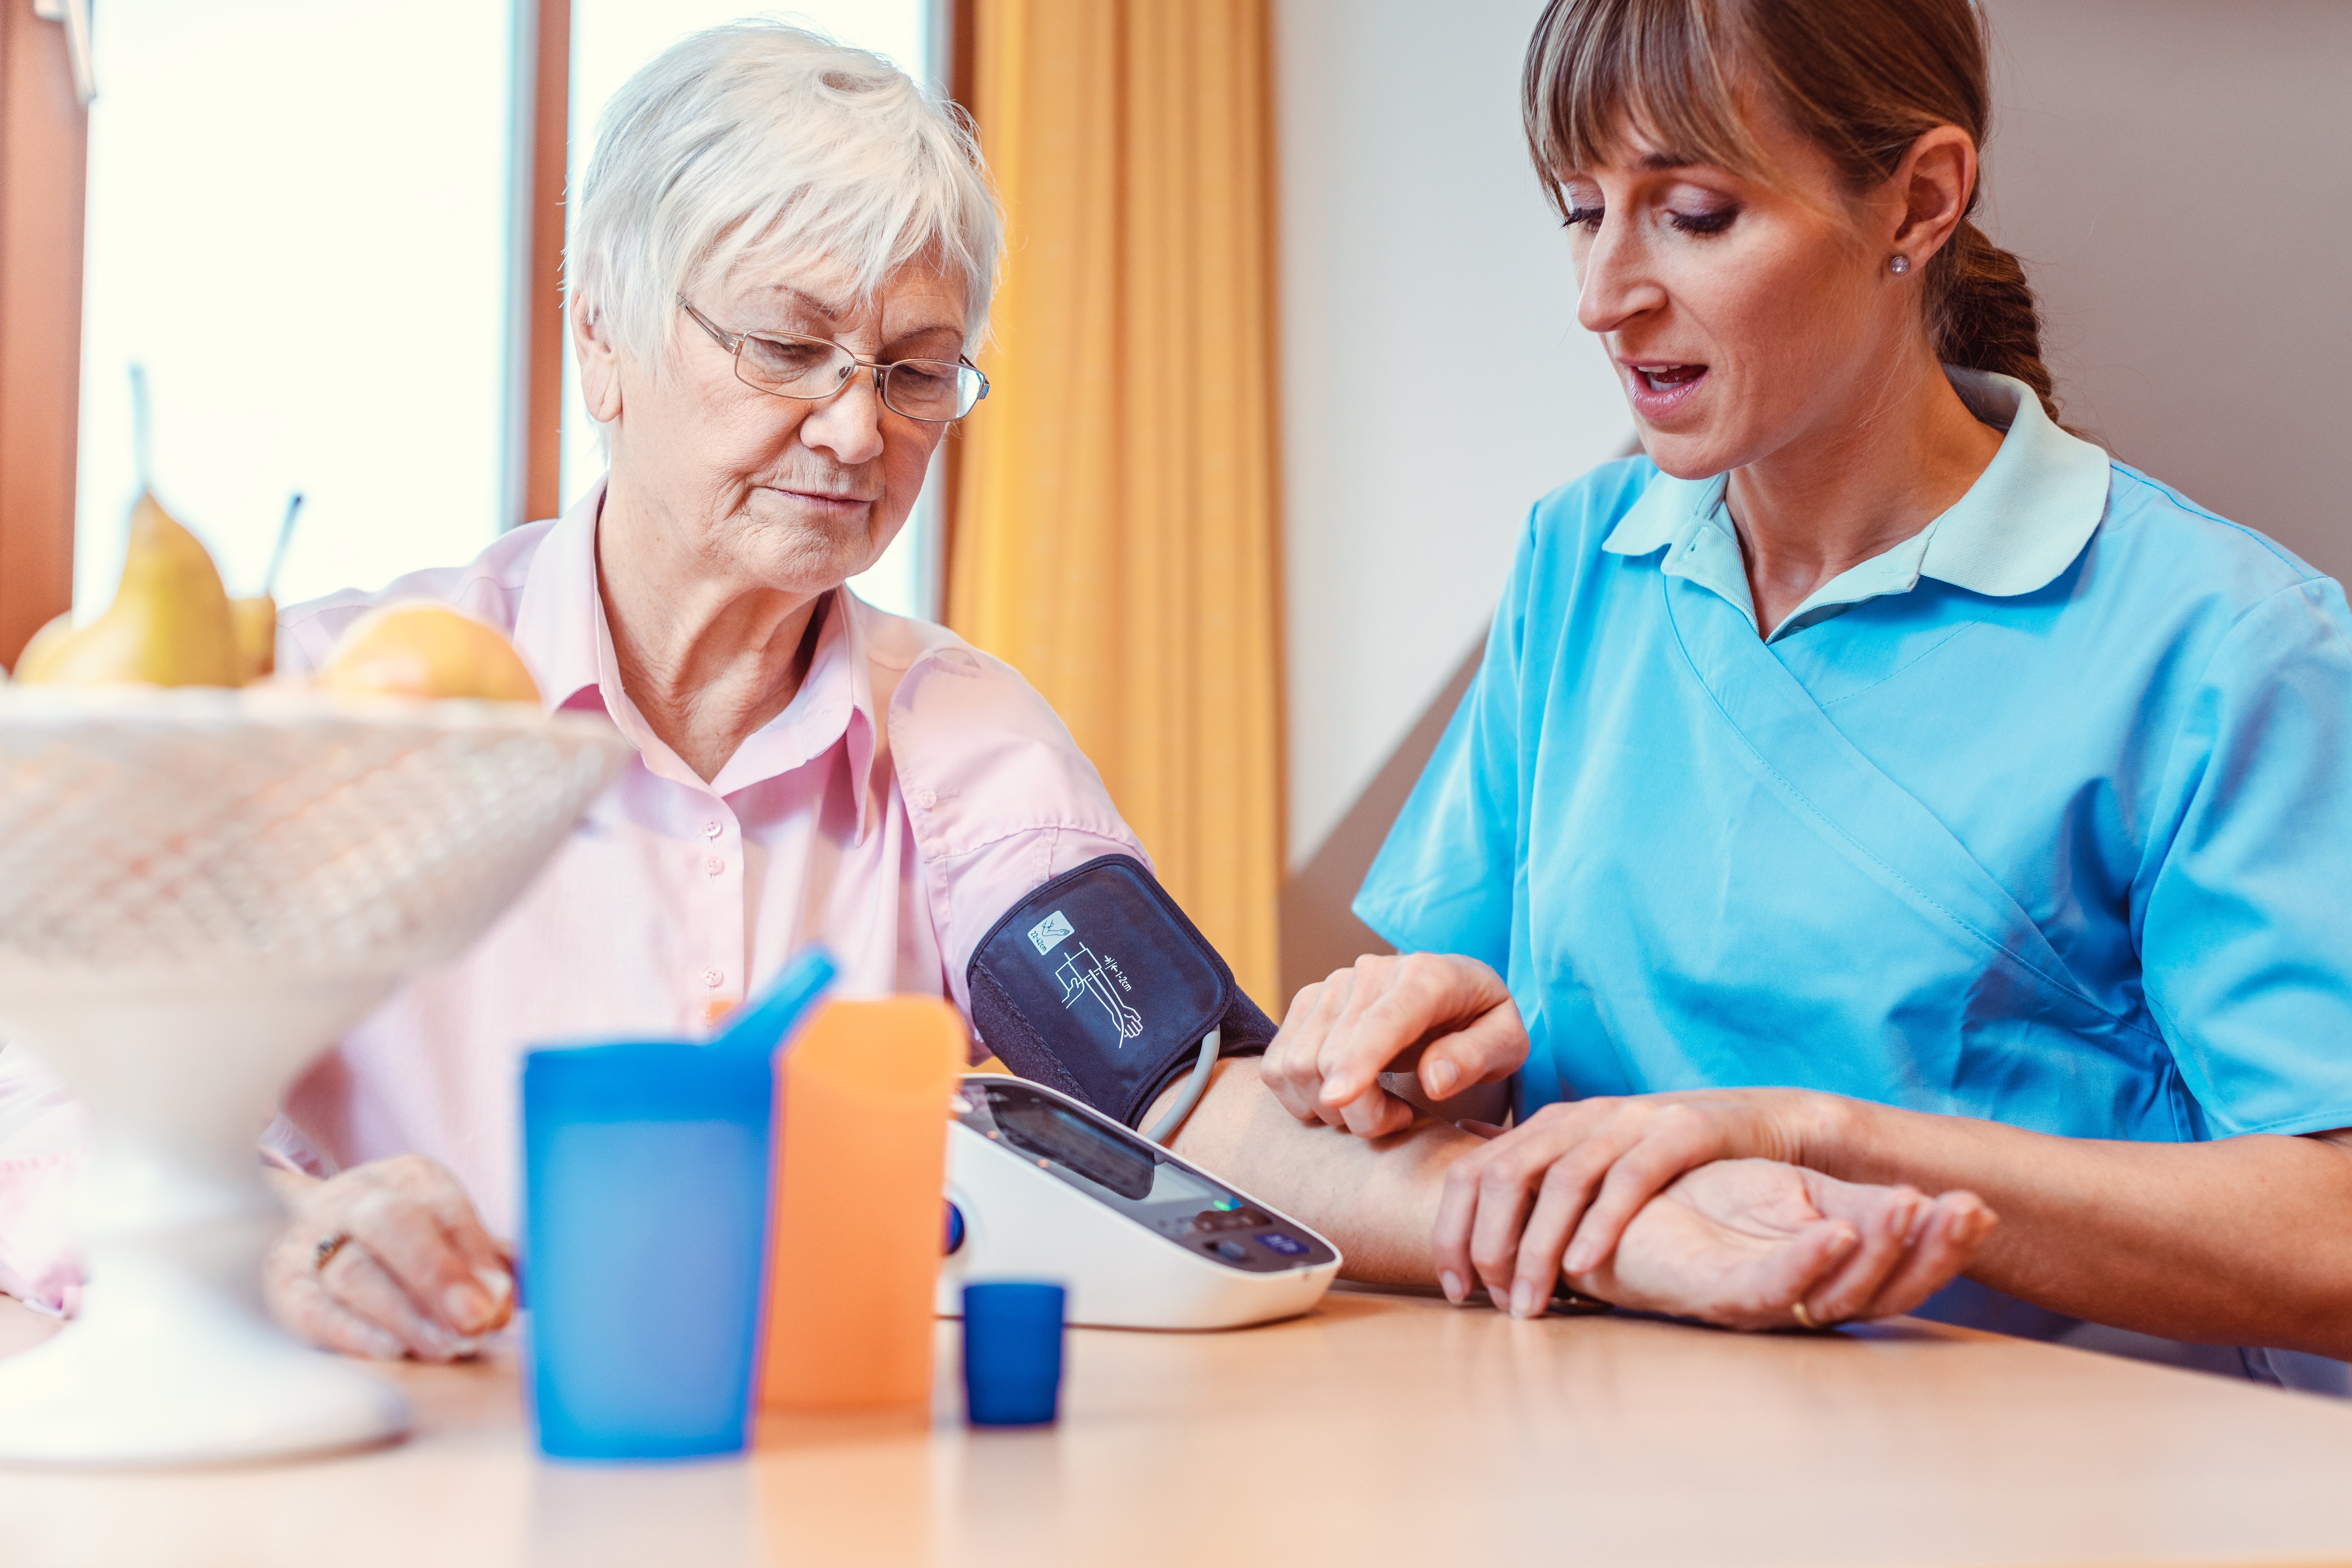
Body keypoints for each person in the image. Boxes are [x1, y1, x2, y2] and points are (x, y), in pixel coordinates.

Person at [0, 20, 1987, 1354]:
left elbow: (1197, 1105)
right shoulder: (347, 697)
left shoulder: (954, 734)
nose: (852, 429)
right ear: (597, 334)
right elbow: (48, 1079)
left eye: (914, 368)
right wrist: (277, 1235)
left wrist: (1641, 1239)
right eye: (786, 345)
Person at [1247, 0, 2352, 1389]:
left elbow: (2333, 1237)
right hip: (1578, 1435)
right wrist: (1420, 1051)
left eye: (1693, 213)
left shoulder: (2228, 647)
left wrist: (1823, 1137)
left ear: (1920, 200)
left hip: (2039, 1483)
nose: (1603, 293)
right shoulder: (1581, 561)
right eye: (1582, 211)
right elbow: (1497, 1052)